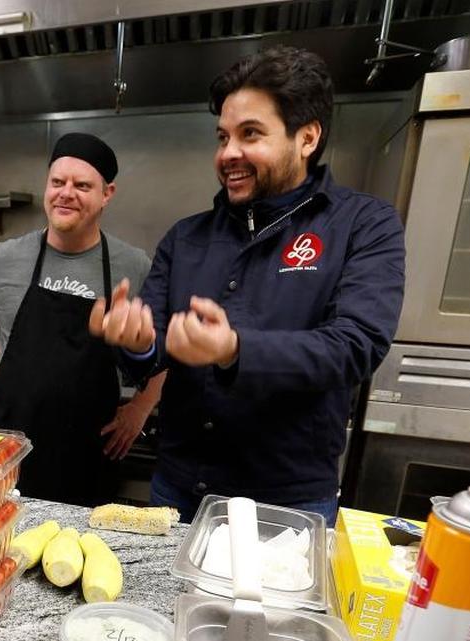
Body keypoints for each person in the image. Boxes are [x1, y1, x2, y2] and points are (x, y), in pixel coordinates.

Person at [90, 47, 405, 525]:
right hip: (178, 492)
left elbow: (356, 346)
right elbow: (150, 355)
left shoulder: (363, 224)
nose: (228, 154)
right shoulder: (187, 237)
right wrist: (136, 341)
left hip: (286, 506)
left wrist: (235, 349)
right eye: (223, 137)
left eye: (250, 134)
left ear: (307, 138)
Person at [0, 133, 166, 506]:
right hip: (11, 451)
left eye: (82, 185)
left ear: (107, 193)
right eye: (57, 182)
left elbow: (164, 345)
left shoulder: (133, 265)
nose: (66, 193)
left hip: (91, 453)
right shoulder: (7, 257)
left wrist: (141, 407)